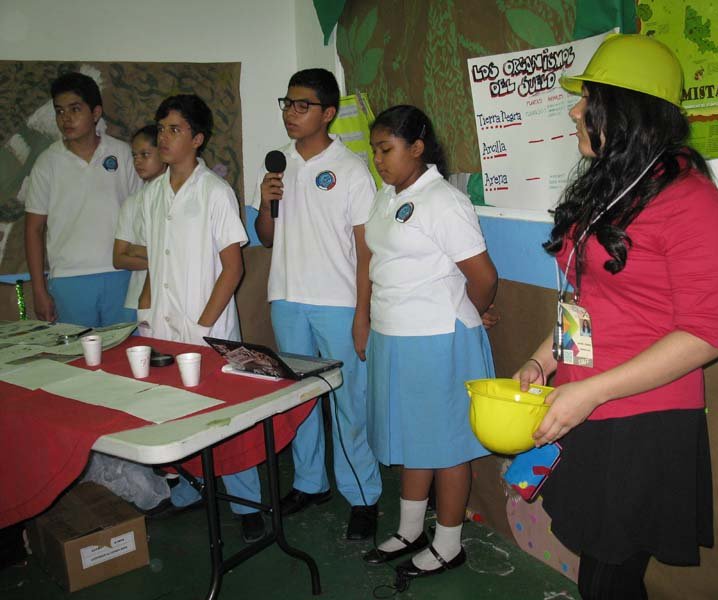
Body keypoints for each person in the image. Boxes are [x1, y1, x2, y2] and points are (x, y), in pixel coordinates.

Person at [512, 34, 718, 599]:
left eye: (588, 99)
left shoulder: (693, 202)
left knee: (610, 576)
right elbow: (586, 296)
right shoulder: (617, 188)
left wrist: (589, 393)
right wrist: (542, 362)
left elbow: (705, 335)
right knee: (600, 564)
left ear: (628, 111)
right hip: (582, 399)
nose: (574, 111)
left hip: (641, 419)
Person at [361, 105, 498, 580]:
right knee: (412, 436)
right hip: (393, 335)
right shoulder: (386, 196)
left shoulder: (443, 202)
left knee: (446, 444)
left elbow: (483, 276)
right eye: (375, 150)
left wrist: (471, 311)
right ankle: (410, 530)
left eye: (386, 149)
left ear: (417, 148)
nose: (378, 159)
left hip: (438, 339)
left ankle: (448, 544)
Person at [247, 68, 382, 540]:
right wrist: (266, 201)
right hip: (286, 298)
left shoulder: (351, 170)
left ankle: (362, 494)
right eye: (287, 103)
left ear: (327, 113)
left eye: (302, 105)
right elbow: (266, 238)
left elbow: (366, 249)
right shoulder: (277, 165)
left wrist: (363, 313)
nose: (291, 113)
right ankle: (309, 482)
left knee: (349, 402)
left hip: (338, 303)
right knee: (298, 397)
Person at [137, 94, 265, 543]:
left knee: (225, 419)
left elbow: (233, 268)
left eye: (174, 129)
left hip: (208, 330)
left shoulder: (215, 192)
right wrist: (145, 318)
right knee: (176, 415)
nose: (164, 137)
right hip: (163, 327)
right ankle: (192, 489)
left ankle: (248, 504)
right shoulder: (151, 195)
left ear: (197, 139)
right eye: (161, 128)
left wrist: (203, 327)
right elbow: (155, 262)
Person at [25, 72, 141, 328]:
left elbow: (143, 215)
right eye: (60, 111)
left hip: (121, 274)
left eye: (75, 109)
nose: (66, 118)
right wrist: (39, 290)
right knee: (77, 352)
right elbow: (33, 229)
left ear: (96, 113)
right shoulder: (47, 163)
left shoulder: (123, 154)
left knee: (125, 350)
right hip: (69, 278)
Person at [113, 125, 166, 316]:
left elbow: (182, 255)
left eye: (145, 154)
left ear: (163, 152)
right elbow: (119, 259)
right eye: (134, 155)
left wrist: (137, 250)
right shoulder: (132, 202)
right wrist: (161, 260)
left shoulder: (178, 196)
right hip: (137, 297)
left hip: (172, 296)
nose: (138, 161)